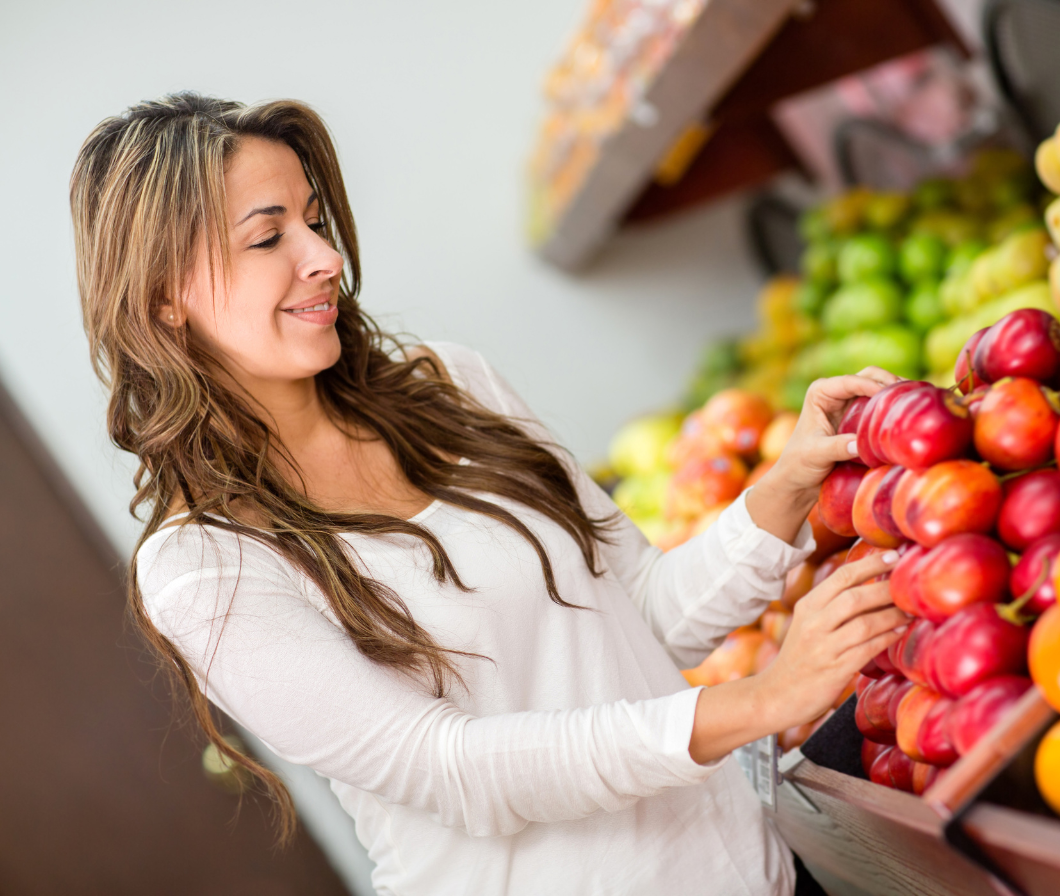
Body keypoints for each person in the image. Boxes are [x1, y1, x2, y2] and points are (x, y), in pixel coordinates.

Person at [71, 93, 905, 896]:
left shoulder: (449, 386)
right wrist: (760, 701)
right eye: (268, 237)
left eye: (316, 221)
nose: (323, 258)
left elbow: (643, 617)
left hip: (757, 871)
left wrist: (790, 484)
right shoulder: (205, 566)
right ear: (163, 297)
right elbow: (456, 769)